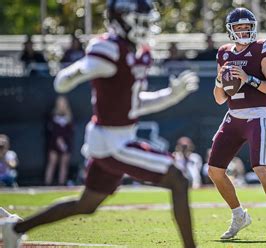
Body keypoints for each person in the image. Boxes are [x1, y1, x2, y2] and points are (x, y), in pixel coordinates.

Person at [0, 1, 198, 248]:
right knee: (177, 178)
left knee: (87, 204)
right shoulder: (108, 48)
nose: (146, 27)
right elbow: (63, 82)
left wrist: (171, 95)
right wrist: (81, 70)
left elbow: (134, 104)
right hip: (112, 141)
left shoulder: (139, 52)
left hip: (112, 139)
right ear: (121, 19)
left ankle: (15, 228)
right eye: (140, 21)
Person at [209, 7, 266, 241]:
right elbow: (219, 98)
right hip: (233, 116)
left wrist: (249, 79)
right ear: (230, 30)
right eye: (239, 27)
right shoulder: (224, 53)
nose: (244, 31)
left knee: (260, 167)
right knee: (214, 170)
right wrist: (219, 79)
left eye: (247, 27)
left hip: (258, 115)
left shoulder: (262, 49)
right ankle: (239, 215)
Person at [44, 95, 74, 186]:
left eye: (63, 103)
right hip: (54, 143)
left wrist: (64, 143)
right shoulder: (53, 116)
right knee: (52, 163)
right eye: (60, 103)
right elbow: (52, 130)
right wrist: (58, 140)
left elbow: (70, 131)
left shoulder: (69, 117)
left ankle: (62, 184)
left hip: (66, 144)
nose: (62, 105)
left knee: (64, 164)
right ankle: (47, 184)